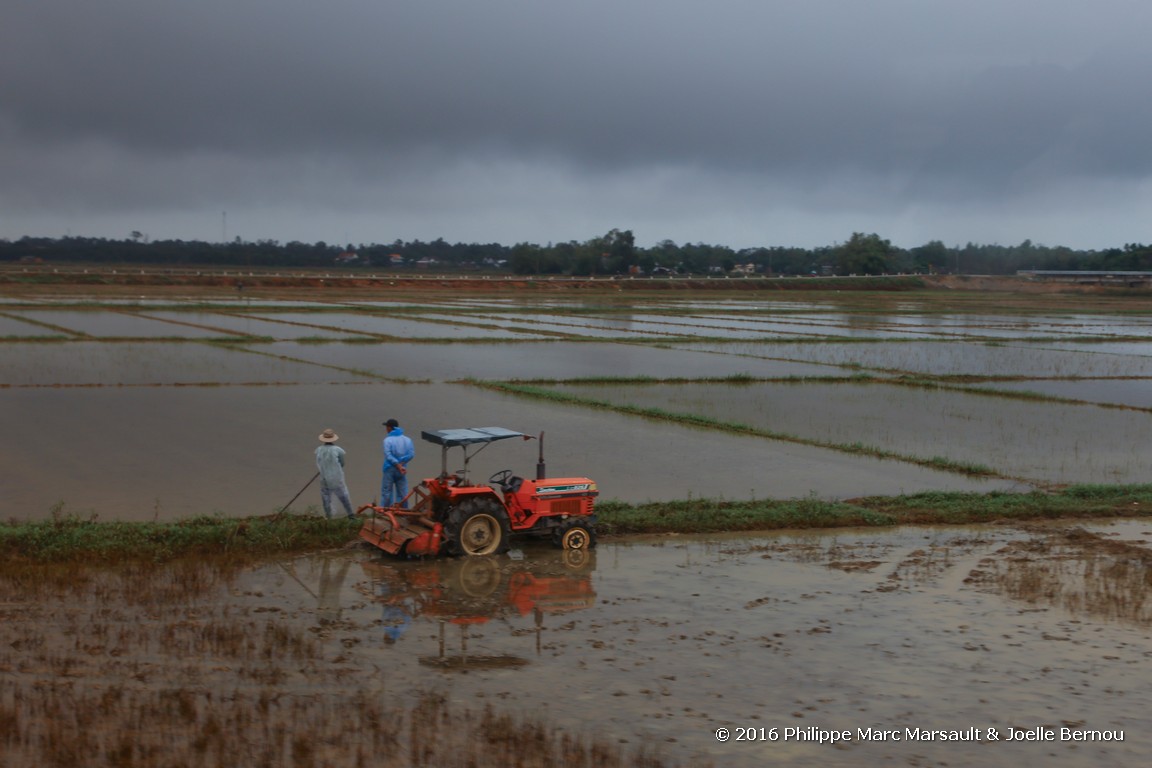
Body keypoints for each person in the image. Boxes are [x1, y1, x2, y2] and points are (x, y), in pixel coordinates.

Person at [315, 428, 355, 520]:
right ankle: (351, 515)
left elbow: (319, 463)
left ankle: (329, 517)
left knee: (326, 498)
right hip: (337, 478)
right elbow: (342, 463)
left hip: (324, 479)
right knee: (344, 496)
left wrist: (324, 469)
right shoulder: (338, 450)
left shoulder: (319, 450)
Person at [381, 418, 415, 507]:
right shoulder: (407, 440)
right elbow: (411, 454)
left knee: (387, 491)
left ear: (389, 428)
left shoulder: (387, 440)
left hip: (389, 468)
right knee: (402, 492)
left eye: (387, 427)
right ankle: (403, 512)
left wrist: (397, 464)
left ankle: (385, 511)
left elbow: (388, 455)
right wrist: (402, 464)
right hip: (402, 469)